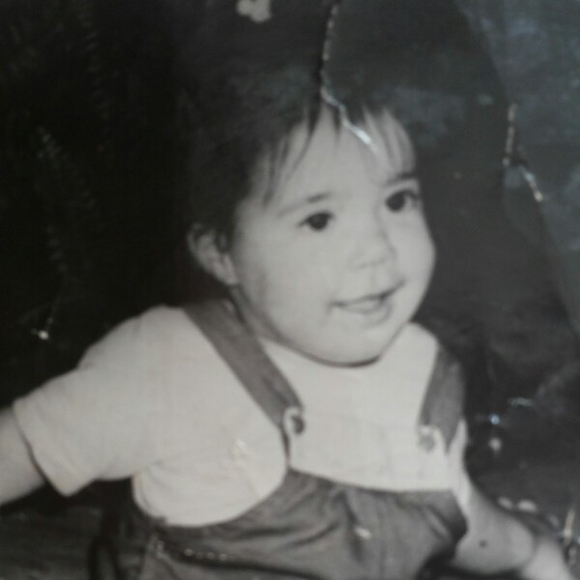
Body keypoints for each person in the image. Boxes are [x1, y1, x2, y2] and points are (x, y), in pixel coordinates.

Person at [0, 1, 576, 578]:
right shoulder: (169, 364)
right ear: (219, 251)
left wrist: (534, 554)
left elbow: (457, 513)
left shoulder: (421, 371)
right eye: (319, 220)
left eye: (398, 200)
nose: (377, 249)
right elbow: (20, 450)